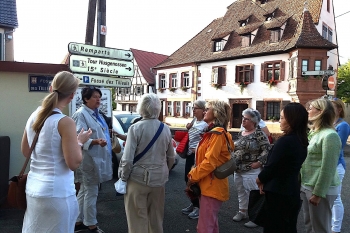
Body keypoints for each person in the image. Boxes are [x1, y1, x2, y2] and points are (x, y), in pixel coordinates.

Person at [21, 71, 92, 233]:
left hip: (33, 189)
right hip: (57, 193)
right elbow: (73, 163)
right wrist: (79, 141)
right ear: (72, 96)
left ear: (51, 87)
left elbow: (26, 151)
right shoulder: (64, 122)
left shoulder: (34, 115)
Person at [118, 93, 175, 233]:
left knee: (137, 219)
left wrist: (123, 178)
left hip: (137, 179)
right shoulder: (165, 128)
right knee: (156, 218)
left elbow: (127, 159)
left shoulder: (135, 128)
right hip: (158, 179)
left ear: (141, 108)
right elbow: (171, 157)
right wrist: (163, 171)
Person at [256, 103, 308, 233]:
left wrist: (260, 179)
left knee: (275, 226)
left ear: (292, 120)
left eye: (282, 118)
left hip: (278, 192)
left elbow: (272, 166)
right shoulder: (301, 139)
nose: (280, 121)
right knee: (289, 226)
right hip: (291, 189)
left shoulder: (286, 141)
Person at [187, 100, 234, 233]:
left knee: (204, 227)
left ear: (216, 113)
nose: (205, 111)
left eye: (208, 109)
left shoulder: (217, 134)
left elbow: (209, 163)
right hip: (209, 184)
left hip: (211, 185)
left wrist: (192, 175)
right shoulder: (214, 132)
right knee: (211, 225)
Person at [72, 86, 113, 233]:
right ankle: (91, 224)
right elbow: (79, 136)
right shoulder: (81, 114)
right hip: (89, 159)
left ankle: (76, 220)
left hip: (96, 157)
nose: (98, 99)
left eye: (99, 97)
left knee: (84, 190)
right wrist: (96, 142)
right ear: (86, 99)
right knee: (91, 191)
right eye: (95, 96)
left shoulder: (96, 114)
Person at [300, 98, 341, 233]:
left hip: (320, 189)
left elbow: (328, 168)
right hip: (308, 185)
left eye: (311, 108)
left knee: (321, 229)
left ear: (321, 111)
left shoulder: (330, 135)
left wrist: (318, 193)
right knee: (310, 226)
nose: (308, 111)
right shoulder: (314, 132)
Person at [232, 108, 271, 228]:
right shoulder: (241, 132)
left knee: (253, 193)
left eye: (246, 119)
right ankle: (242, 211)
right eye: (243, 118)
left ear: (253, 121)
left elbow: (267, 149)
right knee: (241, 191)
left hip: (251, 169)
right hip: (238, 168)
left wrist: (259, 162)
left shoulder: (259, 134)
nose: (243, 120)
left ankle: (255, 217)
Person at [181, 100, 208, 219]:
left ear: (203, 110)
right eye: (193, 108)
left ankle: (199, 208)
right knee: (187, 178)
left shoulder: (206, 124)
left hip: (199, 156)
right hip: (190, 155)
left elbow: (207, 142)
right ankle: (194, 203)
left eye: (196, 108)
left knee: (196, 181)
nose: (193, 110)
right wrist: (188, 128)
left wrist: (197, 149)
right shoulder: (194, 121)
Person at [330, 98, 350, 233]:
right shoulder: (330, 123)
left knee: (335, 198)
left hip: (337, 165)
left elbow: (337, 147)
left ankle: (335, 229)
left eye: (331, 108)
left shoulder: (343, 126)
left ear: (339, 110)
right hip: (330, 165)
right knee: (328, 197)